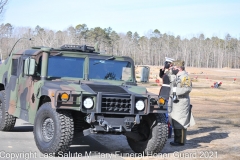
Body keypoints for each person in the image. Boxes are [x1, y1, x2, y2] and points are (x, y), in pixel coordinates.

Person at [169, 60, 195, 146]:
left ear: (179, 68)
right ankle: (177, 139)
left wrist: (175, 91)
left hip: (182, 101)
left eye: (174, 68)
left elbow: (187, 89)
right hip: (176, 101)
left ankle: (180, 141)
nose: (173, 69)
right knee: (175, 120)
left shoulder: (185, 77)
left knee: (181, 120)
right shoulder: (178, 76)